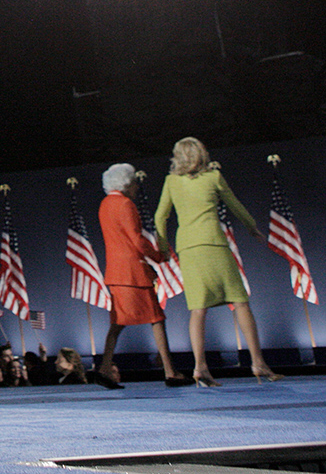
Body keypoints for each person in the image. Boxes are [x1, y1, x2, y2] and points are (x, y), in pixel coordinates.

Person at [155, 137, 282, 386]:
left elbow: (161, 217)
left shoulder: (171, 181)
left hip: (189, 248)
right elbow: (235, 206)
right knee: (240, 302)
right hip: (214, 244)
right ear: (203, 154)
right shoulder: (213, 177)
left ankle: (200, 367)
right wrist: (252, 228)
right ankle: (258, 362)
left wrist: (163, 249)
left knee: (198, 309)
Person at [94, 163, 193, 389]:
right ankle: (170, 372)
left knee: (118, 322)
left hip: (116, 272)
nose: (137, 187)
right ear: (126, 183)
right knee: (156, 319)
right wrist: (159, 256)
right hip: (132, 273)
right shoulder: (125, 204)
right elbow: (136, 239)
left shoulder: (105, 204)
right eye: (134, 182)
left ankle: (105, 368)